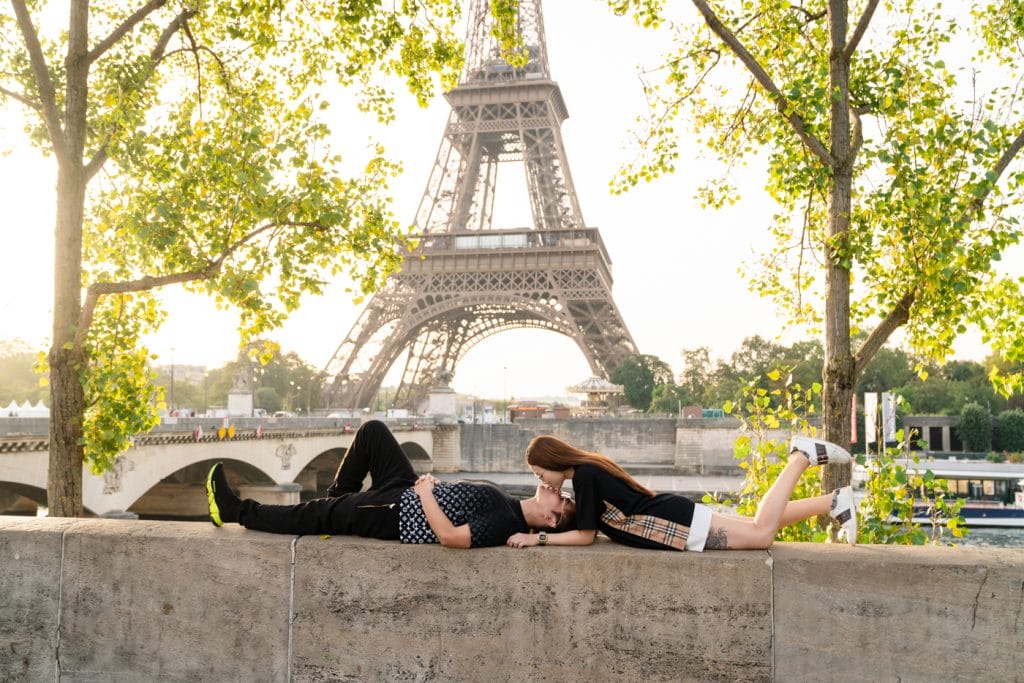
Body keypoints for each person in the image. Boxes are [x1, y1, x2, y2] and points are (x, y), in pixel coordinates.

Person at [206, 419, 574, 548]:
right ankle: (338, 505)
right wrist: (429, 485)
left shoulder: (505, 523)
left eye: (563, 501)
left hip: (398, 512)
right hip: (407, 490)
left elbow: (451, 538)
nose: (559, 491)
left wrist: (427, 493)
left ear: (552, 519)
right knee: (373, 432)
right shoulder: (509, 503)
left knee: (311, 513)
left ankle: (235, 510)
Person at [506, 435, 857, 551]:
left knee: (761, 534)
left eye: (540, 473)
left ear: (552, 460)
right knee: (754, 524)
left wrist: (536, 539)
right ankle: (832, 502)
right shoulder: (589, 470)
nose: (545, 483)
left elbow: (585, 536)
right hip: (670, 516)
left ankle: (800, 457)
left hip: (672, 523)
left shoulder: (584, 477)